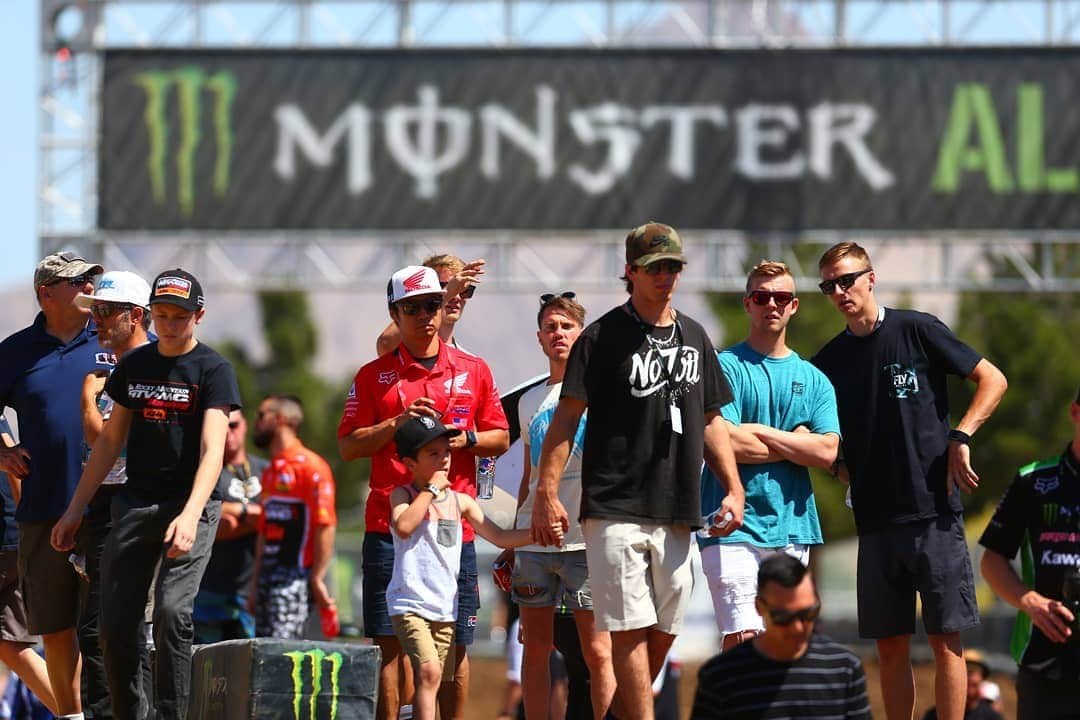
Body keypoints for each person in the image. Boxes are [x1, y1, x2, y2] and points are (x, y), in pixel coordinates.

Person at [532, 222, 744, 720]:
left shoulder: (695, 334)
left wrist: (733, 487)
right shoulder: (601, 337)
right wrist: (547, 490)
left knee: (665, 624)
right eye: (654, 268)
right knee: (627, 625)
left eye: (672, 266)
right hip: (614, 503)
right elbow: (566, 417)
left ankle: (618, 715)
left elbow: (712, 418)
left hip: (678, 505)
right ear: (630, 271)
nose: (665, 276)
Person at [811, 242, 1008, 720]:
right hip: (876, 524)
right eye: (829, 285)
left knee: (946, 642)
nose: (840, 291)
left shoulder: (917, 329)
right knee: (890, 649)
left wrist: (962, 435)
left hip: (934, 515)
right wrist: (838, 469)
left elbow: (993, 380)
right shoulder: (829, 361)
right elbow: (809, 431)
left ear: (871, 277)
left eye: (848, 279)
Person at [51, 268, 241, 720]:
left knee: (173, 614)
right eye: (162, 315)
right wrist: (74, 511)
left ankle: (172, 714)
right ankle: (130, 714)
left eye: (180, 316)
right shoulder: (134, 366)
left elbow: (214, 450)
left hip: (192, 503)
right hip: (137, 502)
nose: (171, 324)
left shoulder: (213, 370)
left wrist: (192, 515)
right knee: (114, 625)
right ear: (150, 315)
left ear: (199, 315)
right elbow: (110, 442)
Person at [338, 265, 509, 720]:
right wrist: (396, 424)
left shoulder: (474, 369)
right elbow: (348, 445)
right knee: (388, 646)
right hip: (388, 528)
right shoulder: (374, 375)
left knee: (454, 651)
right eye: (412, 308)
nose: (424, 316)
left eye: (432, 304)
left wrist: (463, 439)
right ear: (394, 312)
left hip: (454, 533)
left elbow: (501, 435)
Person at [699, 260, 840, 651]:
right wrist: (795, 445)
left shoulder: (815, 379)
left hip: (794, 527)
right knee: (742, 639)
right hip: (730, 525)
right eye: (762, 297)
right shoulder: (723, 367)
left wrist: (758, 431)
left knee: (788, 637)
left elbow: (827, 451)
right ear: (748, 304)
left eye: (781, 298)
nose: (771, 305)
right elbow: (721, 441)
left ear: (794, 305)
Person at [0, 251, 108, 720]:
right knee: (55, 628)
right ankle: (70, 717)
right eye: (77, 282)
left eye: (90, 280)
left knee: (104, 629)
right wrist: (2, 451)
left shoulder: (110, 340)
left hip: (106, 508)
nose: (88, 288)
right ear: (47, 293)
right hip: (42, 509)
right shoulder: (15, 351)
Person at [505, 291, 614, 720]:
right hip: (534, 543)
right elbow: (528, 476)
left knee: (597, 649)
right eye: (550, 327)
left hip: (584, 541)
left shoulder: (601, 393)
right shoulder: (530, 401)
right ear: (539, 337)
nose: (558, 334)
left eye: (566, 326)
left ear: (581, 334)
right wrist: (514, 539)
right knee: (535, 649)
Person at [387, 416, 532, 720]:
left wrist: (540, 534)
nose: (443, 461)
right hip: (409, 604)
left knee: (437, 677)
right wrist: (430, 491)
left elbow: (500, 536)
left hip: (445, 608)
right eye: (433, 454)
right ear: (410, 463)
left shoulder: (461, 502)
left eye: (446, 452)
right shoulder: (404, 495)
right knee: (427, 673)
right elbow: (404, 526)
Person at [74, 271, 154, 718]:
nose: (96, 321)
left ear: (135, 316)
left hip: (132, 503)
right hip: (104, 504)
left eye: (105, 312)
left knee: (114, 628)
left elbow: (106, 440)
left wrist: (88, 400)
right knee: (100, 629)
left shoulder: (151, 367)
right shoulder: (117, 366)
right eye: (94, 312)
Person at [978, 386, 1080, 718]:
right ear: (1075, 413)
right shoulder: (1033, 481)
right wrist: (1029, 600)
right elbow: (992, 560)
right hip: (1043, 660)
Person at [690, 553, 872, 719]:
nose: (798, 627)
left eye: (808, 614)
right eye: (784, 617)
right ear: (759, 607)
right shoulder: (720, 677)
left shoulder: (844, 669)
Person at [248, 394, 337, 639]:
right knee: (263, 654)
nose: (256, 422)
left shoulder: (312, 467)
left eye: (261, 415)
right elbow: (264, 531)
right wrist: (255, 584)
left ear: (279, 419)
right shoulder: (271, 470)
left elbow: (325, 525)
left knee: (283, 655)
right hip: (267, 576)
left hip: (294, 577)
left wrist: (317, 577)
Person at [192, 408, 267, 643]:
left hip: (254, 593)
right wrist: (250, 513)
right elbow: (211, 525)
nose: (227, 434)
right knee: (209, 673)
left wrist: (233, 516)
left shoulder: (266, 470)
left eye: (233, 426)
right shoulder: (203, 470)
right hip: (207, 592)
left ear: (245, 425)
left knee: (252, 673)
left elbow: (278, 519)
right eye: (222, 427)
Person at [0, 419, 57, 716]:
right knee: (12, 647)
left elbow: (10, 454)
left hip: (9, 536)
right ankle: (74, 713)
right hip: (14, 537)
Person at [376, 255, 485, 357]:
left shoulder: (473, 365)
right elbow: (386, 343)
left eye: (464, 290)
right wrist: (445, 295)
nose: (456, 296)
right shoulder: (410, 351)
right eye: (443, 286)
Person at [922, 649, 1004, 720]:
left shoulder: (992, 717)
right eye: (966, 685)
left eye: (974, 685)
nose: (970, 692)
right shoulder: (935, 715)